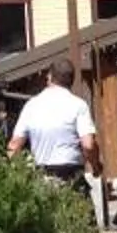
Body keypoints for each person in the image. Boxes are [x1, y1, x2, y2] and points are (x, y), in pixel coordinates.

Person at [10, 58, 99, 198]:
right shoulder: (78, 105)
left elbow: (14, 146)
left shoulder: (31, 105)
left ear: (49, 77)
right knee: (79, 218)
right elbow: (88, 145)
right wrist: (95, 166)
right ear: (72, 80)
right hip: (72, 177)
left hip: (43, 178)